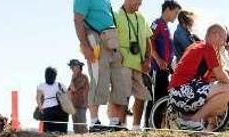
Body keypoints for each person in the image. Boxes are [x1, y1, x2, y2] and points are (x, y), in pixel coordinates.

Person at [168, 24, 229, 130]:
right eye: (224, 40)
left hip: (177, 94)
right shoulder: (208, 46)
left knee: (222, 106)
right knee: (228, 90)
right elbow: (220, 73)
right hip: (182, 91)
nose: (224, 44)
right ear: (216, 35)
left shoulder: (197, 45)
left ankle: (187, 121)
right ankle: (193, 121)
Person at [73, 0, 123, 127]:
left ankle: (114, 122)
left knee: (118, 80)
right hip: (95, 38)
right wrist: (85, 46)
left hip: (111, 40)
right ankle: (95, 122)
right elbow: (77, 20)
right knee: (99, 78)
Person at [114, 0, 153, 130]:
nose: (140, 3)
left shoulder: (141, 17)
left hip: (140, 65)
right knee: (124, 95)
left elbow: (148, 41)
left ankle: (136, 127)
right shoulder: (116, 15)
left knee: (142, 96)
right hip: (122, 64)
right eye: (138, 1)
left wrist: (148, 60)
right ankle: (122, 126)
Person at [149, 1, 182, 120]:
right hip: (156, 68)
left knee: (163, 96)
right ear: (168, 9)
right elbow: (149, 42)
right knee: (155, 97)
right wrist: (158, 60)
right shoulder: (157, 23)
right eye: (175, 12)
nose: (176, 16)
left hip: (165, 69)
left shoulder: (166, 26)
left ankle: (157, 125)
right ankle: (150, 126)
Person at [36, 67, 69, 134]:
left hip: (47, 109)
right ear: (55, 76)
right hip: (59, 109)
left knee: (48, 131)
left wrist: (40, 108)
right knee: (61, 130)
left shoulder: (41, 85)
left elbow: (38, 98)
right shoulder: (60, 85)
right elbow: (67, 96)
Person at [67, 59, 90, 133]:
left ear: (78, 67)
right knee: (76, 127)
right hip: (74, 105)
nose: (71, 68)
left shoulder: (83, 77)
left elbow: (73, 89)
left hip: (81, 105)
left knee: (82, 126)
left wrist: (72, 78)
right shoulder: (75, 78)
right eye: (71, 67)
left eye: (72, 66)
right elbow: (68, 91)